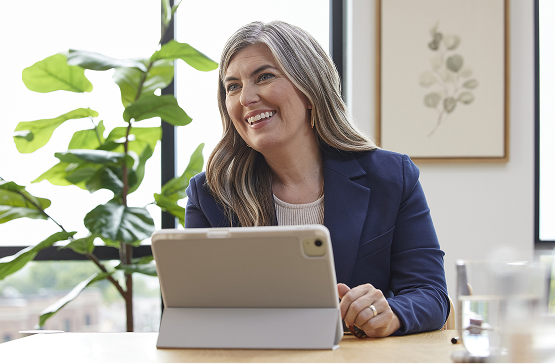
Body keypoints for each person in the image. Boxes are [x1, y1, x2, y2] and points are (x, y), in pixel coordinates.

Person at [185, 20, 449, 337]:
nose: (246, 98)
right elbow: (193, 312)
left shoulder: (391, 177)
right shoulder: (210, 194)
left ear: (310, 89)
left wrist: (390, 313)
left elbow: (430, 293)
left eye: (264, 77)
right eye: (233, 86)